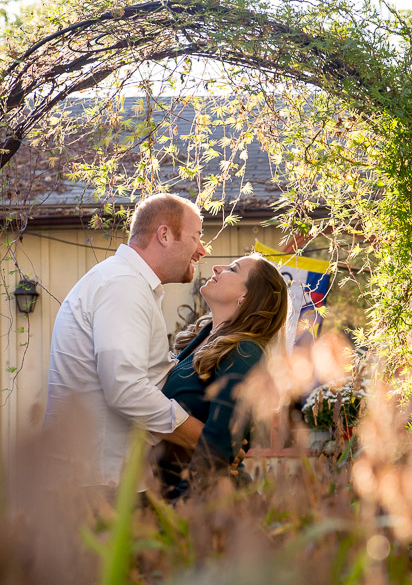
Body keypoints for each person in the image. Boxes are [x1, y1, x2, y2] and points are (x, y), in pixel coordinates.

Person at [43, 193, 207, 489]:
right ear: (165, 235)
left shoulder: (127, 284)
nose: (202, 250)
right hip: (97, 487)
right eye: (196, 237)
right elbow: (125, 387)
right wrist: (206, 441)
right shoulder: (123, 286)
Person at [155, 253, 289, 499]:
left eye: (233, 269)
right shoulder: (202, 340)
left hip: (209, 508)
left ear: (246, 296)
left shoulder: (245, 353)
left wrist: (178, 514)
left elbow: (217, 451)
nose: (217, 267)